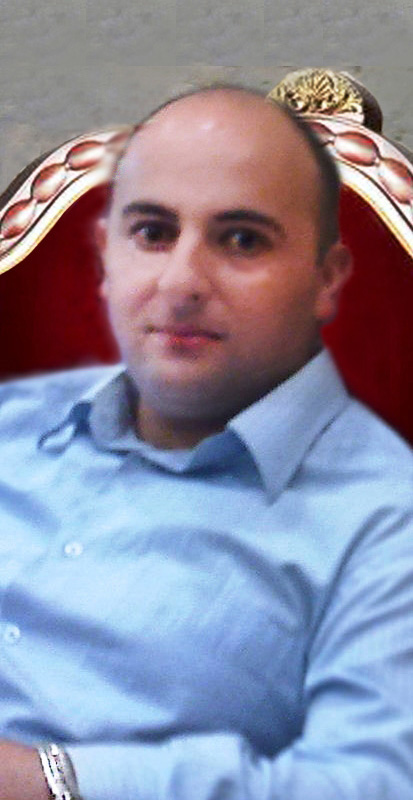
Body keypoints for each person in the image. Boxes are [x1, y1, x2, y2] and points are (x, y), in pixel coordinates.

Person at [0, 85, 412, 800]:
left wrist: (52, 781)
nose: (181, 282)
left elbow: (373, 778)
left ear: (324, 279)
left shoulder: (384, 518)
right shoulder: (15, 419)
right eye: (152, 233)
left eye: (242, 240)